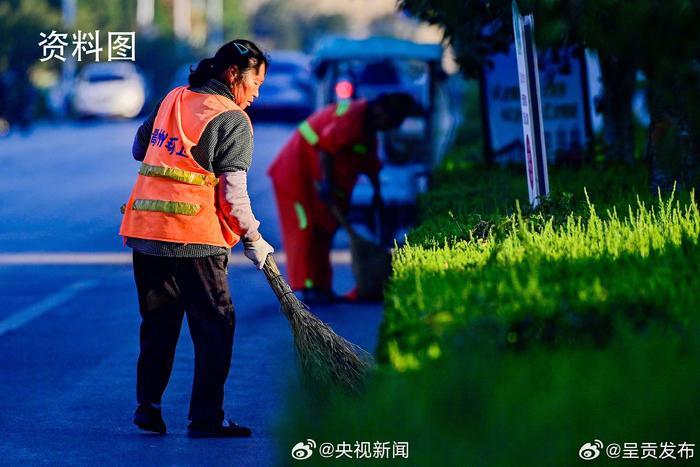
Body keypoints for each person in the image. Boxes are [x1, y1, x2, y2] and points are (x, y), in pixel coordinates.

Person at [119, 39, 274, 438]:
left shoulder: (173, 98)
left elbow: (140, 148)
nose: (256, 95)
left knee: (158, 323)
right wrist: (254, 237)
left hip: (146, 234)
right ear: (232, 75)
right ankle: (206, 418)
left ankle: (148, 408)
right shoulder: (232, 119)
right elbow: (232, 193)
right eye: (254, 85)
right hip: (194, 237)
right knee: (215, 325)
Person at [268, 92, 415, 304]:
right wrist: (327, 184)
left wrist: (377, 195)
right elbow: (326, 149)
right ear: (380, 111)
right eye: (391, 122)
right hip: (296, 172)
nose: (390, 127)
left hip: (315, 175)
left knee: (325, 229)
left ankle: (322, 287)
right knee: (306, 228)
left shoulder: (368, 129)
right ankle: (309, 288)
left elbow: (369, 163)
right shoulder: (352, 119)